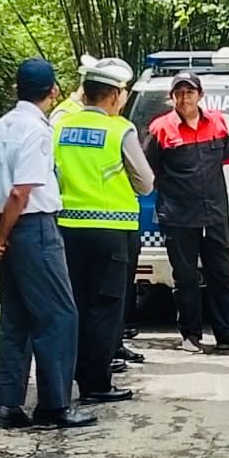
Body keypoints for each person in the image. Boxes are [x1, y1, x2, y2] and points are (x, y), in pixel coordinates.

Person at [0, 59, 92, 430]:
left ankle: (8, 406)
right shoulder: (37, 131)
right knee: (59, 314)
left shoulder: (0, 127)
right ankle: (54, 405)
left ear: (16, 90)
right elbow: (22, 192)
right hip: (34, 229)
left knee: (16, 318)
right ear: (53, 91)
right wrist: (3, 235)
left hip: (7, 227)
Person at [51, 55, 154, 405]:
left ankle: (66, 378)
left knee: (74, 304)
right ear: (113, 96)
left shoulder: (59, 126)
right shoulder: (119, 129)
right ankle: (96, 384)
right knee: (106, 308)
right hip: (111, 231)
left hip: (66, 228)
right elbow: (145, 183)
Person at [146, 71, 229, 354]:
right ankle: (190, 335)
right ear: (172, 98)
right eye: (179, 93)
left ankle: (226, 333)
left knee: (221, 274)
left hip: (215, 213)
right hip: (178, 217)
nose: (184, 98)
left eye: (190, 92)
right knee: (186, 278)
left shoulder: (218, 124)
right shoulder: (160, 129)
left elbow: (224, 161)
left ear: (200, 95)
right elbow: (149, 172)